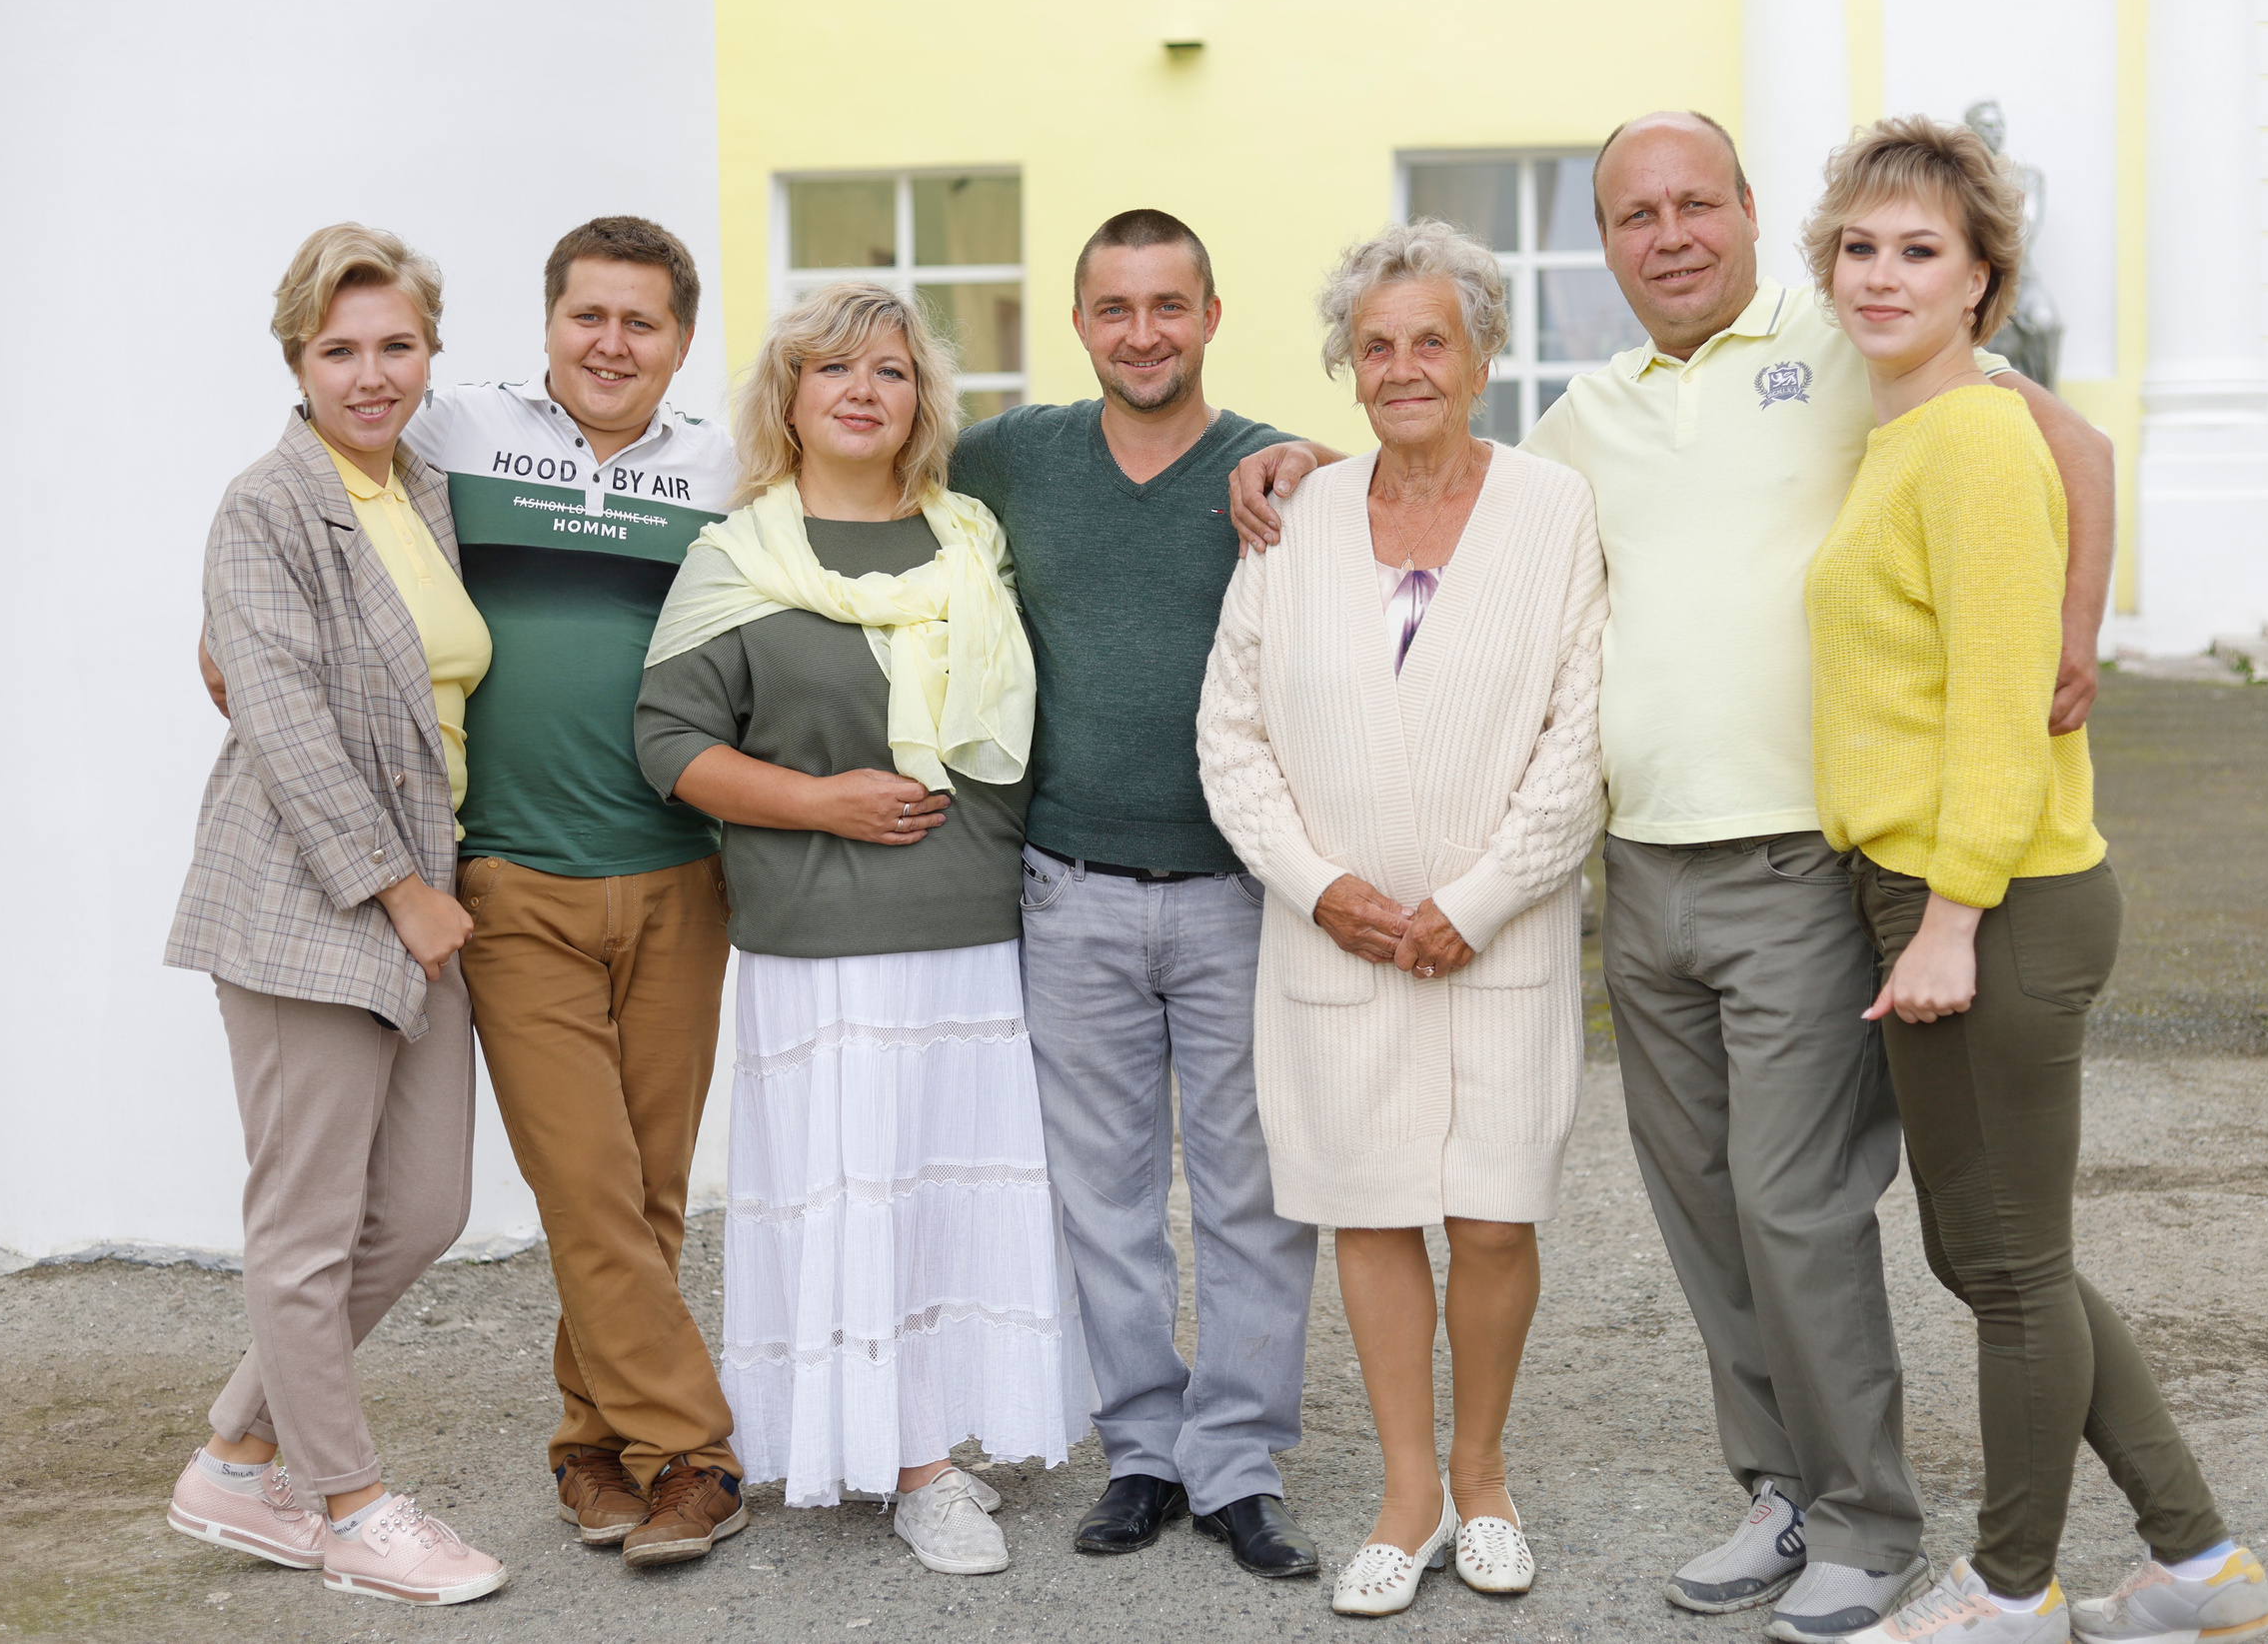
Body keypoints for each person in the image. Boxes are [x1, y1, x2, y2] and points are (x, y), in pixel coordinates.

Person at [1228, 113, 2119, 1642]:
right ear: (1607, 244)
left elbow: (2072, 448)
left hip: (1798, 856)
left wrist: (2072, 634)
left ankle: (1864, 1516)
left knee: (1794, 1204)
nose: (1670, 235)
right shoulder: (1581, 427)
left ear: (1752, 214)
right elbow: (1450, 478)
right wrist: (1308, 460)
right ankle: (1777, 1486)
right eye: (1635, 215)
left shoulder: (1848, 347)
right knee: (1699, 1206)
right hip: (1639, 867)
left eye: (1695, 203)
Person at [202, 218, 747, 1567]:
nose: (612, 343)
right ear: (545, 326)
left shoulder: (734, 469)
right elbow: (282, 611)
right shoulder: (452, 437)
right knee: (584, 1187)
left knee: (643, 1190)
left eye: (643, 323)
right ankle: (696, 1452)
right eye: (588, 318)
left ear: (681, 341)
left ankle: (594, 1450)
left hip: (680, 875)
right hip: (495, 878)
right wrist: (230, 642)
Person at [1801, 118, 2268, 1644]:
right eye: (1860, 247)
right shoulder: (1919, 430)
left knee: (2005, 1266)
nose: (1882, 275)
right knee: (2000, 1253)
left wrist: (1948, 919)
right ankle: (2199, 1565)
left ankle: (2010, 1591)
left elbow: (2006, 705)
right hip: (1940, 890)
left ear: (1983, 281)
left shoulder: (1974, 443)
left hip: (1989, 899)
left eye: (1919, 251)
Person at [634, 280, 1085, 1578]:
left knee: (944, 1196)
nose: (861, 391)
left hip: (974, 924)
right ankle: (912, 1469)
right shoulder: (740, 559)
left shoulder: (972, 542)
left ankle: (934, 1434)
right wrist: (817, 800)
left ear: (919, 401)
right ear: (788, 397)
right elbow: (668, 742)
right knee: (862, 1195)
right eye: (832, 369)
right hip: (821, 937)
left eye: (888, 370)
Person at [1198, 221, 1604, 1618]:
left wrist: (1479, 901)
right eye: (1377, 345)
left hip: (1502, 940)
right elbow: (1231, 736)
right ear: (1346, 367)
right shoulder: (1292, 515)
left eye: (1432, 339)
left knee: (1492, 1216)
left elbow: (1580, 730)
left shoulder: (1555, 510)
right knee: (1368, 1214)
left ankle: (1484, 1478)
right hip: (1337, 944)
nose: (1404, 367)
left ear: (1482, 355)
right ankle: (1407, 1495)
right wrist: (1331, 894)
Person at [948, 209, 1324, 1580]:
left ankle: (1237, 1462)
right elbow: (844, 463)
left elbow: (1420, 497)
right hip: (1070, 890)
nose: (1144, 332)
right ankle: (1142, 1451)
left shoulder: (1274, 471)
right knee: (1101, 1196)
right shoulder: (1013, 458)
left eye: (1170, 305)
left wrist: (1323, 458)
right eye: (1116, 308)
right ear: (1080, 322)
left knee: (1253, 1196)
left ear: (1212, 314)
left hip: (1238, 894)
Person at [164, 222, 505, 1606]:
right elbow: (288, 723)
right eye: (340, 349)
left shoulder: (422, 483)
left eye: (397, 345)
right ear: (297, 358)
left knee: (423, 1209)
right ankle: (349, 1507)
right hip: (311, 899)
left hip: (425, 890)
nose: (372, 373)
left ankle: (237, 1448)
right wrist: (404, 891)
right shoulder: (265, 503)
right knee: (303, 1228)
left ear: (431, 350)